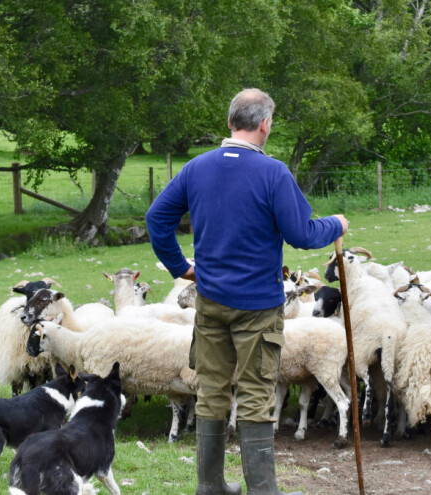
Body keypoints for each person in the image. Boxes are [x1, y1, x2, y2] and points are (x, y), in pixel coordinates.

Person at [146, 88, 347, 495]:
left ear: (229, 122)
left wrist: (182, 269)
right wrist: (336, 225)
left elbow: (156, 218)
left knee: (212, 391)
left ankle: (211, 487)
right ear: (265, 124)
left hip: (211, 303)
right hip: (259, 307)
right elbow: (302, 233)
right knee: (256, 395)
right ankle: (262, 491)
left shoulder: (197, 168)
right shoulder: (273, 173)